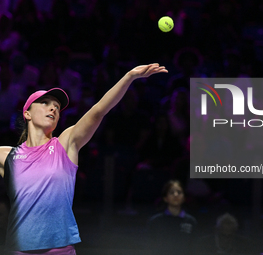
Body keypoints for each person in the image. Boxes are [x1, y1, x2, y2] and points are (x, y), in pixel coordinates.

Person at [0, 63, 168, 254]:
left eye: (57, 107)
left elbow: (98, 110)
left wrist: (129, 77)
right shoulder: (7, 156)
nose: (54, 109)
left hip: (59, 250)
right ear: (27, 113)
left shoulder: (65, 144)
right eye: (45, 103)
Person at [147, 180, 197, 255]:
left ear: (184, 198)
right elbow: (150, 247)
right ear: (165, 198)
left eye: (179, 192)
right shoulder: (155, 221)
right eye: (171, 192)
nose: (176, 195)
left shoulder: (191, 221)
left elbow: (193, 247)